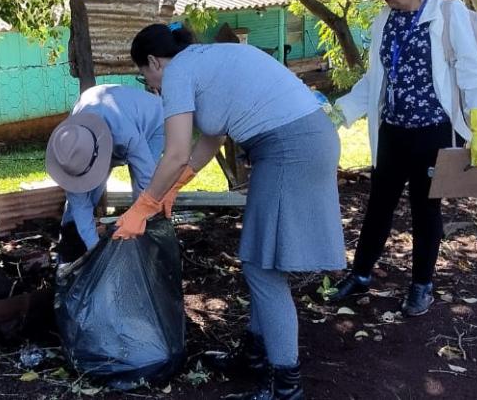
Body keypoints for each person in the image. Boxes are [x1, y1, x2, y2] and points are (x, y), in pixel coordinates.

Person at [114, 24, 345, 400]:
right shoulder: (204, 61)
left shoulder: (178, 73)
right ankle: (254, 355)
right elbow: (212, 137)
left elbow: (173, 153)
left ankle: (286, 385)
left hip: (289, 148)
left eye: (147, 78)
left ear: (154, 62)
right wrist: (173, 186)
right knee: (260, 260)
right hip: (305, 138)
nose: (153, 87)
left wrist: (144, 205)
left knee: (262, 268)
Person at [327, 0, 477, 316]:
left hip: (432, 133)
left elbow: (471, 72)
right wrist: (341, 113)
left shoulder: (450, 15)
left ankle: (421, 285)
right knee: (378, 206)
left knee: (425, 209)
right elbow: (374, 81)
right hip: (392, 132)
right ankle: (361, 275)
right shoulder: (384, 21)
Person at [46, 83, 165, 261]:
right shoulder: (70, 147)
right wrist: (96, 251)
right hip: (101, 126)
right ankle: (66, 257)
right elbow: (79, 203)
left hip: (153, 124)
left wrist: (137, 220)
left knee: (143, 196)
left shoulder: (124, 133)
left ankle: (146, 251)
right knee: (83, 201)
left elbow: (146, 179)